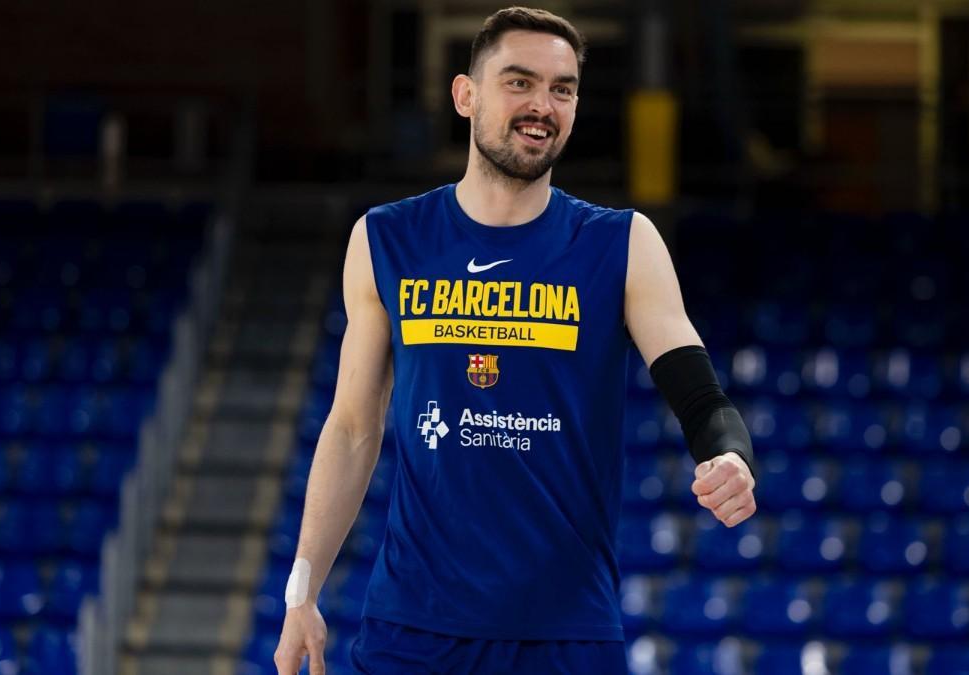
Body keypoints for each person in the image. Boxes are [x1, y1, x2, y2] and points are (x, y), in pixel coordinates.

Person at [274, 7, 756, 674]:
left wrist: (729, 454)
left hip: (565, 634)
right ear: (465, 95)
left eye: (562, 89)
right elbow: (354, 426)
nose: (542, 106)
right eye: (520, 82)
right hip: (412, 632)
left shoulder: (620, 244)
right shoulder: (388, 238)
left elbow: (701, 396)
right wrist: (303, 591)